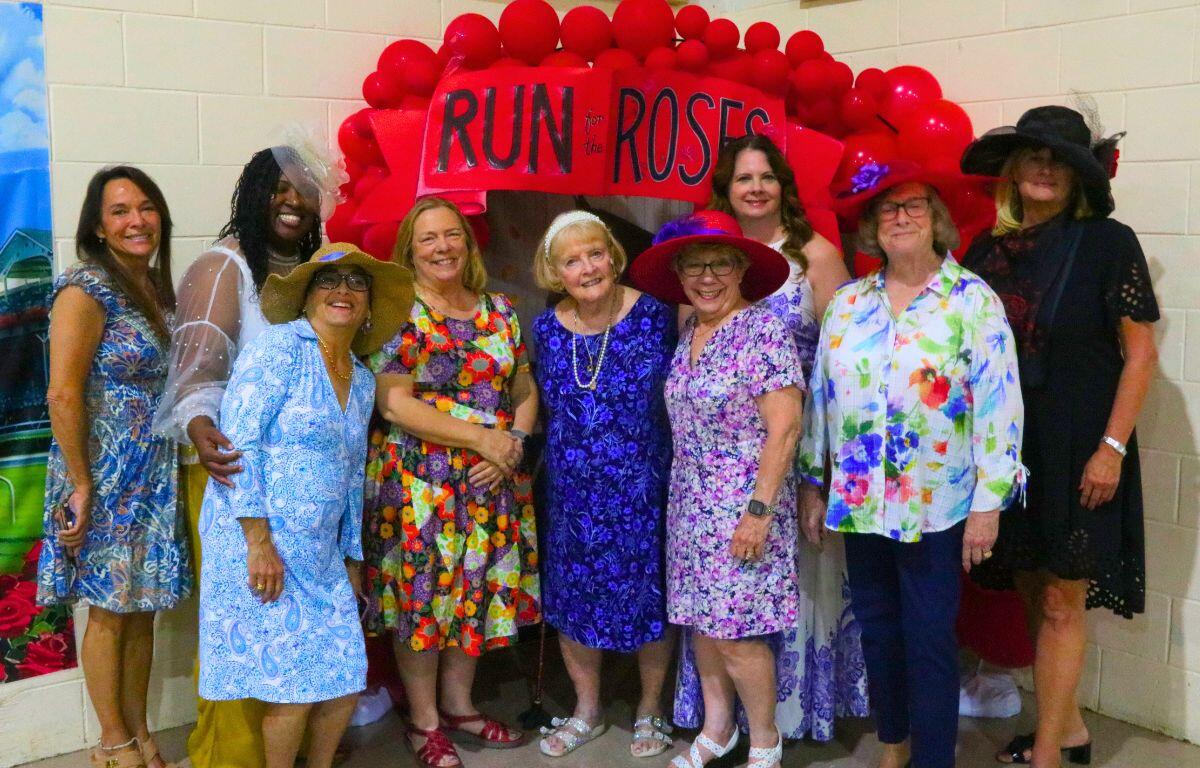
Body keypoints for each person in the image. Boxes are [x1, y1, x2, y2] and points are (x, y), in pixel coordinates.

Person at [797, 162, 1025, 768]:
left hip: (938, 502)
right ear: (872, 227)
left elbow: (1002, 405)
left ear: (937, 220)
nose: (899, 217)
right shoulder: (847, 303)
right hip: (860, 497)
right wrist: (813, 484)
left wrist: (988, 506)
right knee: (876, 627)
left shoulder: (972, 300)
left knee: (928, 637)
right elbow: (821, 399)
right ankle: (893, 742)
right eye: (886, 209)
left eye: (913, 206)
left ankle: (933, 758)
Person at [959, 105, 1159, 768]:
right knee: (1025, 584)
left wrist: (1113, 447)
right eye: (1033, 156)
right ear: (1013, 170)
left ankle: (1048, 755)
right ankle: (1068, 730)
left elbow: (1139, 355)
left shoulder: (1109, 243)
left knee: (1061, 599)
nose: (1044, 168)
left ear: (1079, 177)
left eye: (1060, 160)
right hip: (1009, 449)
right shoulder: (984, 251)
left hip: (1081, 446)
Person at [152, 135, 338, 768]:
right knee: (244, 628)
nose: (291, 203)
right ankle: (230, 759)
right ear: (253, 195)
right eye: (278, 190)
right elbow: (197, 373)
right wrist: (201, 424)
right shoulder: (223, 266)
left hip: (306, 491)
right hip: (238, 477)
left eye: (304, 194)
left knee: (291, 633)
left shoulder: (317, 278)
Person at [674, 133, 867, 744]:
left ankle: (782, 726)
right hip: (707, 478)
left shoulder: (816, 255)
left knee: (780, 599)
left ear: (782, 185)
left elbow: (843, 369)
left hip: (789, 451)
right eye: (742, 179)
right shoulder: (705, 275)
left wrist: (823, 469)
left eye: (765, 177)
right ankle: (721, 727)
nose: (755, 188)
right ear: (726, 192)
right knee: (719, 615)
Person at [197, 243, 413, 768]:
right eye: (328, 281)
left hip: (320, 552)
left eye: (356, 283)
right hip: (257, 538)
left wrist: (353, 559)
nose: (343, 291)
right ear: (306, 297)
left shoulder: (361, 380)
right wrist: (258, 541)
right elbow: (236, 445)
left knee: (343, 676)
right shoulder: (278, 350)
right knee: (293, 687)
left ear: (367, 309)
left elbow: (349, 475)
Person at [363, 197, 539, 768]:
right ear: (409, 252)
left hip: (492, 482)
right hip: (422, 487)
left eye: (451, 236)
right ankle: (425, 721)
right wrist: (480, 439)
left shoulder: (501, 310)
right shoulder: (398, 311)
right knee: (423, 600)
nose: (442, 248)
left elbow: (524, 389)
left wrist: (513, 443)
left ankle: (461, 706)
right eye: (427, 239)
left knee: (475, 596)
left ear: (468, 242)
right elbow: (394, 404)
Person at [631, 209, 802, 768]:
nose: (706, 277)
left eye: (720, 264)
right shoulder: (691, 332)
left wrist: (758, 512)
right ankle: (717, 729)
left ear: (740, 269)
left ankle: (765, 741)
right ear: (679, 277)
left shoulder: (762, 329)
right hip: (690, 505)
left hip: (743, 506)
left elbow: (786, 428)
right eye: (693, 267)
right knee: (702, 623)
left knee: (737, 633)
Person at [37, 166, 190, 768]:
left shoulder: (155, 289)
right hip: (100, 475)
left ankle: (140, 731)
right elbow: (62, 393)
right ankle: (111, 741)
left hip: (152, 474)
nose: (137, 221)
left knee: (140, 612)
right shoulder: (85, 287)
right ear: (98, 229)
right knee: (106, 613)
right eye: (121, 211)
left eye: (146, 207)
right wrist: (80, 483)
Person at [528, 211, 676, 758]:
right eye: (572, 260)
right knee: (572, 600)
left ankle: (649, 708)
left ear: (613, 255)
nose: (587, 267)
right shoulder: (546, 329)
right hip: (572, 496)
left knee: (650, 598)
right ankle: (587, 707)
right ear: (554, 272)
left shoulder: (657, 315)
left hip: (644, 490)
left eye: (595, 253)